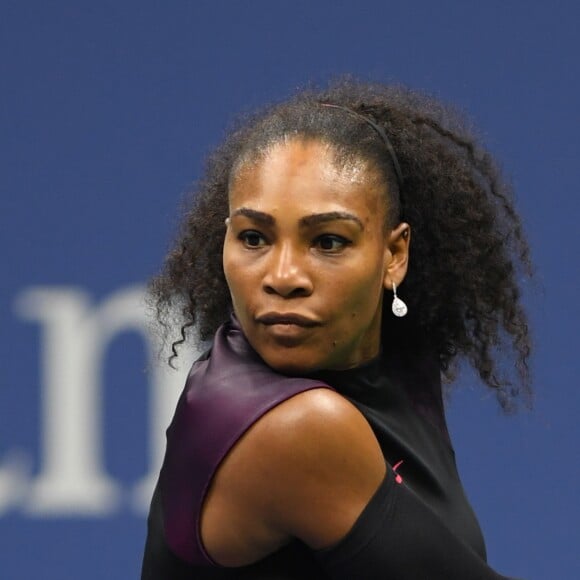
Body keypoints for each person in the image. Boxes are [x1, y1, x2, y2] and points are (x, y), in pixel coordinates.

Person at [141, 80, 532, 579]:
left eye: (327, 242)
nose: (282, 277)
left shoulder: (397, 360)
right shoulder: (297, 427)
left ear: (394, 256)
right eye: (254, 237)